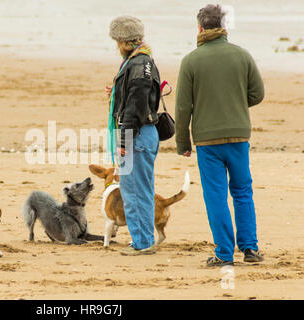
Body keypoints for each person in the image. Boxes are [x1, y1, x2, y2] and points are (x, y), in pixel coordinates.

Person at [175, 4, 265, 267]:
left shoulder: (191, 60)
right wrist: (235, 104)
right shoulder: (242, 55)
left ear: (200, 27)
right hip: (238, 136)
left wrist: (183, 142)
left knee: (216, 195)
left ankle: (224, 254)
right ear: (223, 26)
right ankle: (250, 248)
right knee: (242, 191)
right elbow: (257, 94)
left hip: (207, 141)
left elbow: (183, 107)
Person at [106, 16, 161, 256]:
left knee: (134, 191)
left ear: (123, 41)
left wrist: (124, 140)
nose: (116, 46)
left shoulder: (137, 64)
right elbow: (137, 96)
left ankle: (142, 242)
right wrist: (117, 91)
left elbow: (136, 106)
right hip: (144, 133)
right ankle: (143, 238)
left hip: (136, 135)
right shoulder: (142, 60)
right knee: (141, 189)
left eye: (117, 41)